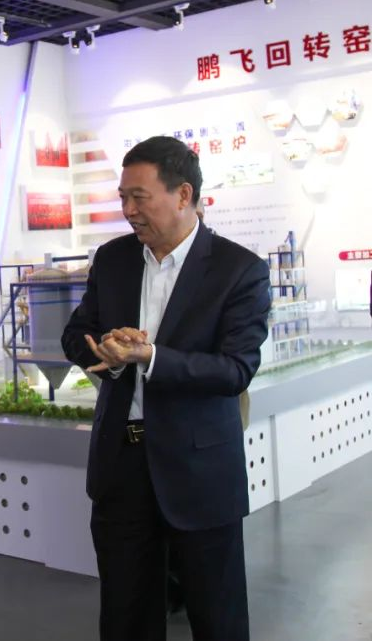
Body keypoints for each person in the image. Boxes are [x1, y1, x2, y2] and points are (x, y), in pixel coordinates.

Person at [61, 136, 270, 641]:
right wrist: (106, 350)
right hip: (122, 466)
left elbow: (234, 370)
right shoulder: (114, 259)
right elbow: (75, 335)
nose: (128, 210)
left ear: (183, 195)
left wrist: (151, 357)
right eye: (123, 197)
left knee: (217, 616)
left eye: (140, 197)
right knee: (126, 614)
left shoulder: (238, 270)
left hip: (199, 470)